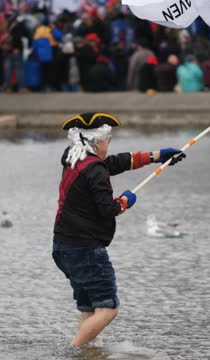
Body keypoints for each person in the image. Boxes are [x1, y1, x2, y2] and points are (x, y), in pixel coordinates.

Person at [53, 112, 186, 346]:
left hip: (64, 248)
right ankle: (74, 352)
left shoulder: (73, 157)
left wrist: (156, 156)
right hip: (85, 250)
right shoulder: (95, 171)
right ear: (97, 141)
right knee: (107, 309)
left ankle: (89, 353)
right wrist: (125, 200)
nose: (109, 143)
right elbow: (108, 209)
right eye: (108, 139)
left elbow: (113, 164)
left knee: (90, 309)